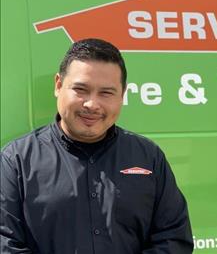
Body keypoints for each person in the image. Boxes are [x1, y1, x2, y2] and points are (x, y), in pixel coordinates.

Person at [0, 38, 194, 254]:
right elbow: (6, 244)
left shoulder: (148, 157)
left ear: (122, 94)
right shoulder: (16, 160)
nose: (92, 104)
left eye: (106, 93)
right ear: (58, 85)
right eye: (81, 89)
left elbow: (174, 240)